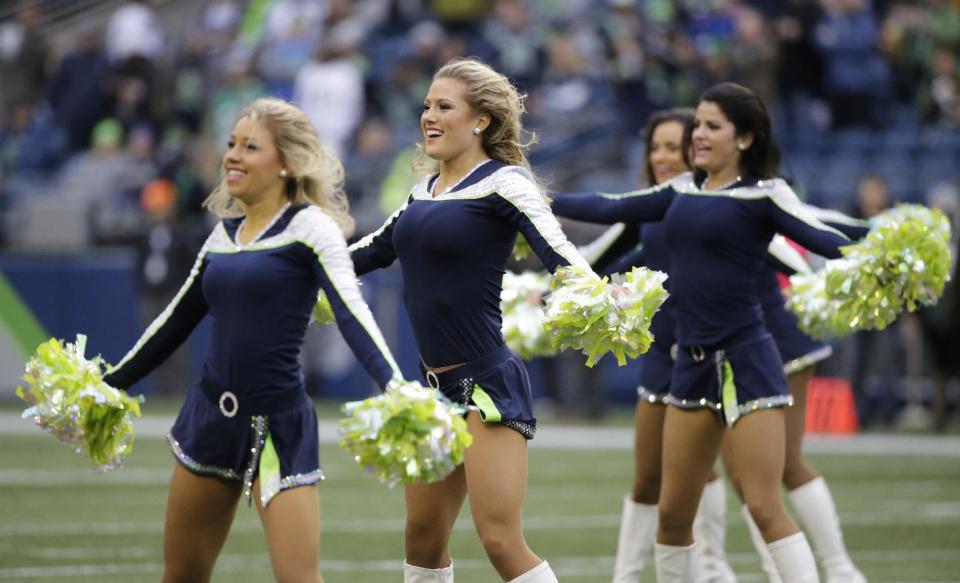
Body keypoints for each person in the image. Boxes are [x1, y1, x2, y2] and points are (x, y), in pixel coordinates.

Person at [551, 82, 858, 582]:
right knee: (673, 513)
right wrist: (532, 193)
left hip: (749, 360)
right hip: (689, 365)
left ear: (745, 139)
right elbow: (607, 206)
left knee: (763, 503)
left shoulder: (765, 195)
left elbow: (821, 238)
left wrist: (875, 255)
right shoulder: (678, 190)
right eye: (698, 124)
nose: (699, 135)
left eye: (713, 126)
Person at [102, 97, 404, 583]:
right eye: (230, 144)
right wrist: (107, 383)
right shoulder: (224, 234)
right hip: (209, 420)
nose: (232, 156)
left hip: (278, 426)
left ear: (285, 163)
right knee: (180, 577)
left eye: (250, 146)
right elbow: (174, 321)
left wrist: (395, 385)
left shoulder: (311, 229)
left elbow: (352, 312)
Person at [348, 57, 596, 583]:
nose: (429, 116)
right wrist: (300, 264)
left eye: (444, 106)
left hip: (486, 384)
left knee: (501, 541)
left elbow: (561, 255)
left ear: (480, 120)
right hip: (433, 392)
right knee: (422, 541)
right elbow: (369, 251)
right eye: (426, 106)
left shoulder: (506, 183)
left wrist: (598, 295)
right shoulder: (422, 191)